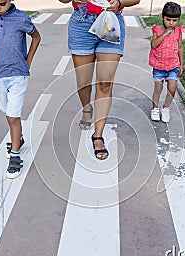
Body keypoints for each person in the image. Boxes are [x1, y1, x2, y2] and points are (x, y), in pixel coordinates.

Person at [59, 0, 140, 160]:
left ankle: (98, 135)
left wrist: (119, 2)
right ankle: (87, 109)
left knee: (105, 84)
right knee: (84, 82)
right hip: (82, 23)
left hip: (110, 20)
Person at [0, 0, 41, 178]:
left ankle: (15, 156)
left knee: (13, 116)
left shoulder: (21, 18)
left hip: (17, 75)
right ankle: (18, 139)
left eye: (2, 4)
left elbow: (36, 37)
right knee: (6, 112)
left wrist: (28, 61)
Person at [149, 2, 184, 123]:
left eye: (174, 20)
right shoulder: (157, 30)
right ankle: (155, 108)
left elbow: (180, 47)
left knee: (172, 89)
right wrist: (165, 34)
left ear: (178, 20)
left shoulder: (178, 32)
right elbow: (153, 45)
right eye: (168, 19)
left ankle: (166, 107)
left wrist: (181, 63)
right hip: (159, 66)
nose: (171, 23)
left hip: (173, 65)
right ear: (162, 17)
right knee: (158, 89)